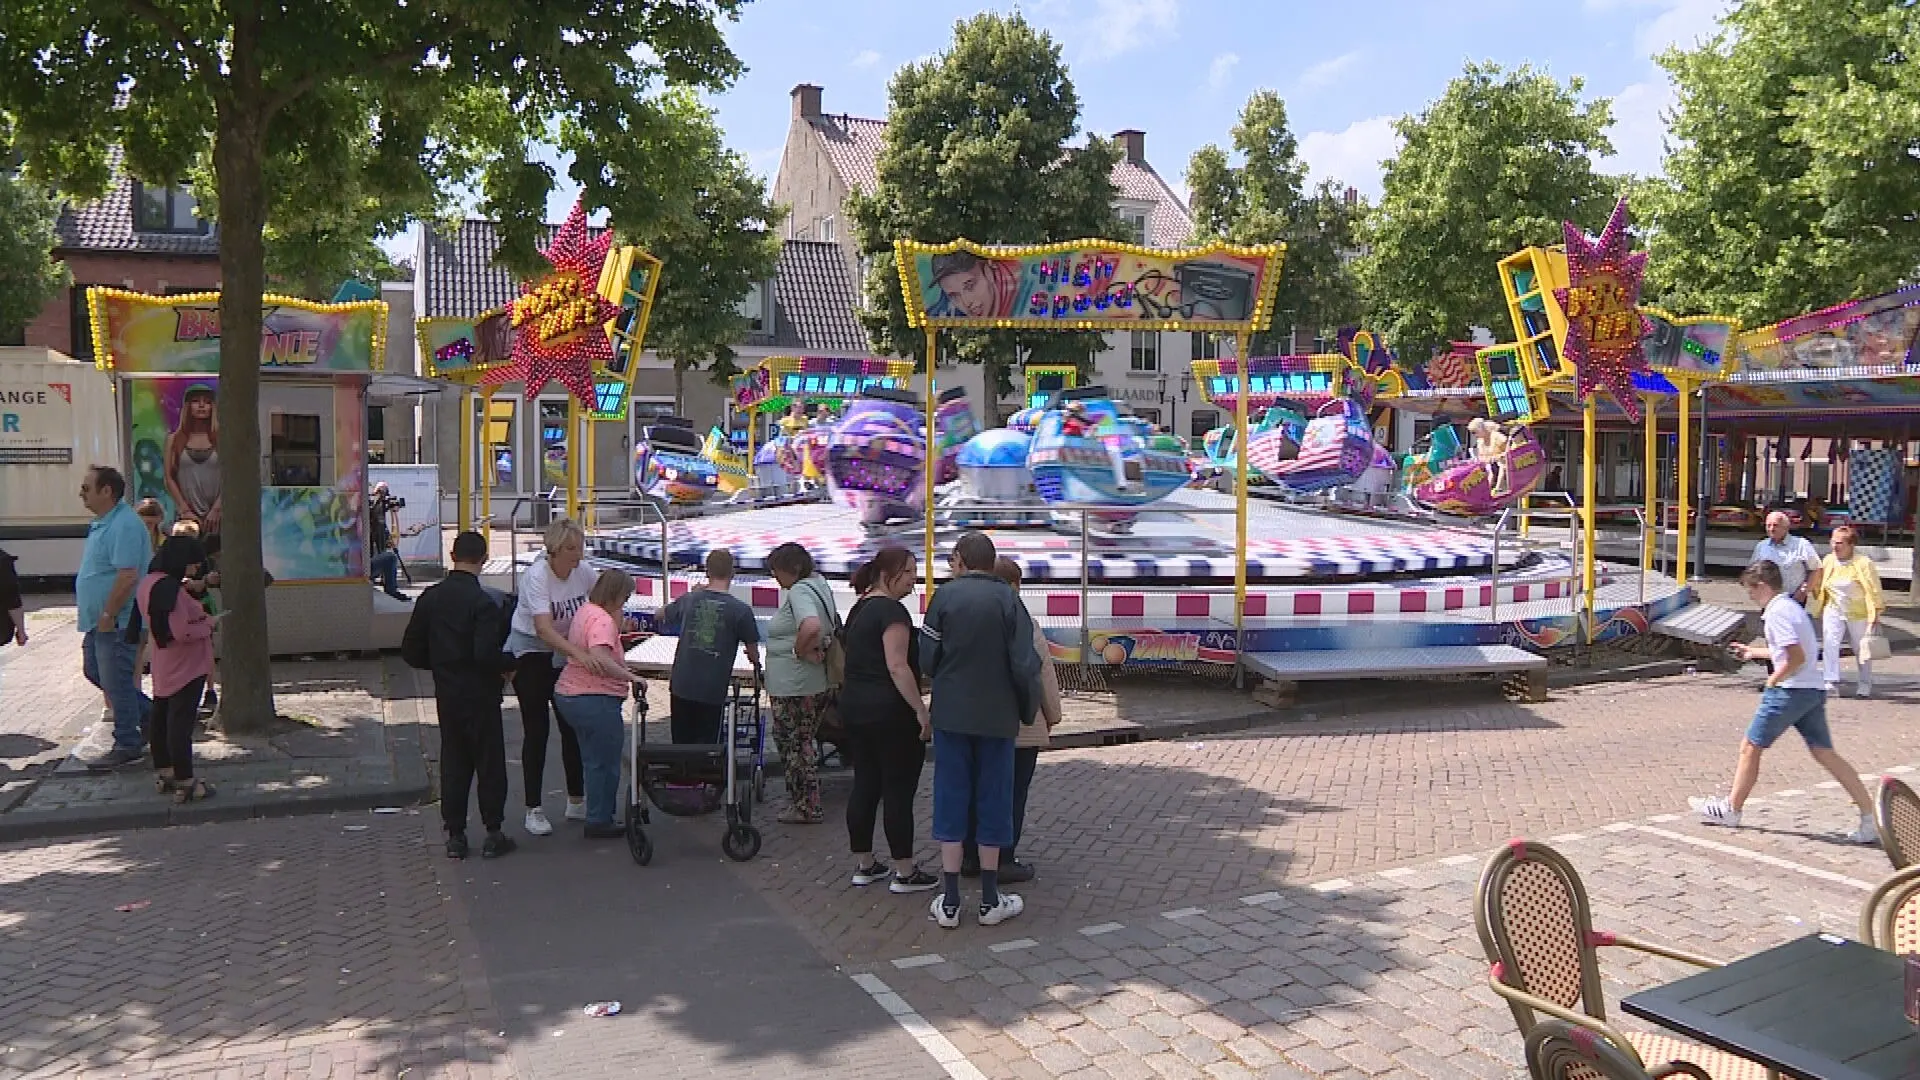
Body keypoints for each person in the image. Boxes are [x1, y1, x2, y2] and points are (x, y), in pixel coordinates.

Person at [1689, 560, 1878, 845]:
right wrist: (1754, 653)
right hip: (1811, 690)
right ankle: (1868, 816)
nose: (1750, 597)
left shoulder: (1776, 613)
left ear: (1762, 586)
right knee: (1825, 753)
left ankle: (1731, 809)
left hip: (1790, 690)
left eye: (1751, 591)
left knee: (1751, 746)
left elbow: (1796, 657)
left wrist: (1774, 679)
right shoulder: (1790, 607)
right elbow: (1793, 649)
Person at [921, 531, 1042, 928]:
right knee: (995, 800)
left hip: (952, 716)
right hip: (997, 718)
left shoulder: (944, 598)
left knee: (952, 798)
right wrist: (1026, 711)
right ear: (991, 563)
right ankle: (991, 899)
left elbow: (927, 658)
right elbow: (1026, 665)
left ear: (959, 559)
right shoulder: (1010, 602)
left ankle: (951, 899)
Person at [402, 531, 518, 859]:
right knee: (489, 760)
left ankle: (455, 833)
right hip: (481, 692)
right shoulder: (484, 602)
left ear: (452, 556)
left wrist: (440, 664)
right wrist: (509, 664)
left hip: (448, 691)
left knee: (454, 759)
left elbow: (410, 650)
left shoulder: (430, 598)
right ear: (483, 559)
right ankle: (493, 830)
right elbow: (485, 653)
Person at [839, 546, 937, 893]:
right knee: (897, 789)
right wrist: (920, 710)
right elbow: (898, 666)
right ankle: (905, 871)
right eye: (908, 571)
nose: (914, 578)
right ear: (888, 574)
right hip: (889, 712)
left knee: (865, 783)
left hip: (855, 707)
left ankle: (865, 864)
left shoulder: (859, 608)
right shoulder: (892, 612)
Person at [962, 557, 1061, 884]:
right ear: (1015, 585)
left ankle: (971, 856)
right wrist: (1053, 714)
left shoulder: (969, 616)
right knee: (1013, 793)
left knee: (977, 789)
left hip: (976, 720)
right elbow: (1040, 671)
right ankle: (1004, 857)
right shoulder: (1023, 621)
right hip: (1020, 724)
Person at [506, 518, 603, 836]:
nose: (578, 555)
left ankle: (577, 799)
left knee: (571, 724)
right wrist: (579, 654)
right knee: (537, 729)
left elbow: (601, 605)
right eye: (572, 549)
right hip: (532, 649)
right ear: (555, 550)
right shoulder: (538, 576)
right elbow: (543, 628)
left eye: (581, 547)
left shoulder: (583, 572)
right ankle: (533, 808)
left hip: (565, 650)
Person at [553, 569, 645, 839]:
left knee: (593, 758)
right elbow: (600, 658)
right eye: (625, 597)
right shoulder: (602, 621)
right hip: (594, 697)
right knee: (605, 761)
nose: (626, 601)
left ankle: (597, 814)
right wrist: (632, 677)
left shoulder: (587, 610)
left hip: (570, 694)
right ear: (616, 595)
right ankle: (600, 818)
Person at [77, 466, 153, 770]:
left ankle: (127, 742)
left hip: (117, 621)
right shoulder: (103, 523)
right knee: (96, 670)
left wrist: (109, 613)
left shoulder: (124, 524)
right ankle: (150, 716)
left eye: (86, 488)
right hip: (101, 621)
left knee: (116, 679)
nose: (81, 493)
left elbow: (127, 575)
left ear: (106, 490)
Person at [136, 534, 218, 803]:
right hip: (186, 664)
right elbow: (181, 631)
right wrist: (208, 625)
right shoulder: (170, 589)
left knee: (161, 717)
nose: (195, 569)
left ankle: (165, 771)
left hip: (163, 661)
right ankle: (186, 779)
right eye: (193, 564)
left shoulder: (148, 583)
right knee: (180, 723)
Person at [656, 548, 762, 745]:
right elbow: (754, 654)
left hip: (682, 684)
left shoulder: (689, 600)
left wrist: (693, 594)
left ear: (707, 572)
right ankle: (705, 775)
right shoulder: (741, 611)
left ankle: (682, 774)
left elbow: (660, 614)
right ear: (733, 573)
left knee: (681, 742)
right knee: (707, 744)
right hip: (712, 688)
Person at [765, 541, 838, 825]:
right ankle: (808, 802)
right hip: (813, 682)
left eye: (776, 571)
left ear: (792, 569)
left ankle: (806, 806)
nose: (775, 577)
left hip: (794, 684)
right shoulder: (820, 585)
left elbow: (811, 625)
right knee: (803, 742)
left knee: (793, 744)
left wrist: (798, 650)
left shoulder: (799, 591)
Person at [1812, 526, 1884, 698]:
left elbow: (1874, 590)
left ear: (1851, 544)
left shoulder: (1863, 563)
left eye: (1840, 543)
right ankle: (1831, 681)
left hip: (1858, 612)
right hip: (1833, 609)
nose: (1835, 546)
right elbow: (1821, 583)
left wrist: (1875, 613)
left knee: (1861, 648)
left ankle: (1865, 683)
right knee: (1830, 643)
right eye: (1833, 542)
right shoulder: (1829, 560)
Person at [163, 384, 221, 538]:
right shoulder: (174, 439)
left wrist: (217, 509)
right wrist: (184, 509)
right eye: (196, 401)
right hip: (186, 516)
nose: (202, 406)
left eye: (207, 402)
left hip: (218, 517)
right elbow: (169, 478)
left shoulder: (222, 439)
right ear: (188, 407)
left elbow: (233, 477)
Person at [1752, 511, 1822, 605]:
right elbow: (1753, 572)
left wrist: (1804, 591)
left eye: (1775, 525)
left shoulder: (1801, 545)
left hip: (1794, 599)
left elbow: (1817, 569)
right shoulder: (1761, 546)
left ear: (1786, 527)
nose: (1771, 529)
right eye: (1768, 525)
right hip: (1769, 601)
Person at [368, 482, 408, 602]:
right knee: (390, 558)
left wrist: (393, 512)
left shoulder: (374, 511)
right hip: (364, 568)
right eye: (381, 492)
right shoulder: (371, 510)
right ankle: (391, 590)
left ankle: (390, 587)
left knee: (388, 556)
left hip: (365, 566)